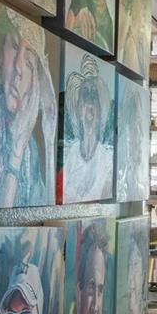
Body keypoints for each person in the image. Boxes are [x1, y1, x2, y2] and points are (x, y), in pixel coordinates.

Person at [0, 0, 57, 208]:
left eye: (29, 63)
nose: (19, 68)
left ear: (34, 83)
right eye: (13, 46)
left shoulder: (31, 152)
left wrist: (19, 149)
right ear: (2, 52)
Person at [61, 52, 114, 202]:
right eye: (85, 95)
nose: (89, 104)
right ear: (78, 108)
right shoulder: (69, 155)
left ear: (101, 108)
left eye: (94, 97)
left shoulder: (108, 161)